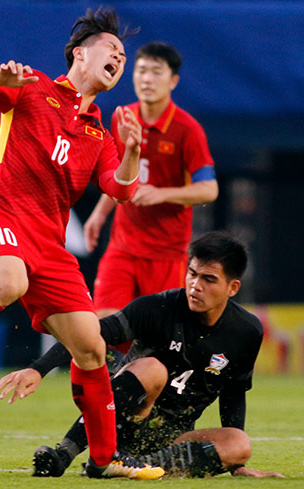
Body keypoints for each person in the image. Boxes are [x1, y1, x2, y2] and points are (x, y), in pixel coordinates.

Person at [0, 8, 164, 480]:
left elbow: (121, 190)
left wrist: (130, 152)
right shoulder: (33, 86)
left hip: (50, 245)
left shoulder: (100, 133)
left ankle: (104, 461)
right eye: (113, 49)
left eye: (124, 56)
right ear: (80, 53)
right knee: (8, 281)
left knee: (90, 347)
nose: (120, 59)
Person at [0, 231, 284, 479]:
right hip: (124, 419)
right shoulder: (156, 308)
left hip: (171, 435)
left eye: (209, 279)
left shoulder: (247, 331)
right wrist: (38, 368)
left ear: (232, 288)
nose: (195, 285)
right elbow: (90, 334)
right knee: (152, 369)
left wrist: (237, 466)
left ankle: (143, 466)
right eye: (192, 273)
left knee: (239, 444)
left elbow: (234, 391)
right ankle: (72, 454)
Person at [84, 42, 218, 320]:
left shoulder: (187, 129)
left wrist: (162, 193)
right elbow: (120, 176)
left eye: (156, 72)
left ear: (173, 81)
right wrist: (98, 215)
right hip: (122, 247)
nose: (147, 79)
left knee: (157, 337)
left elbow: (210, 189)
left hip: (167, 254)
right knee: (101, 324)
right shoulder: (123, 118)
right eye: (141, 70)